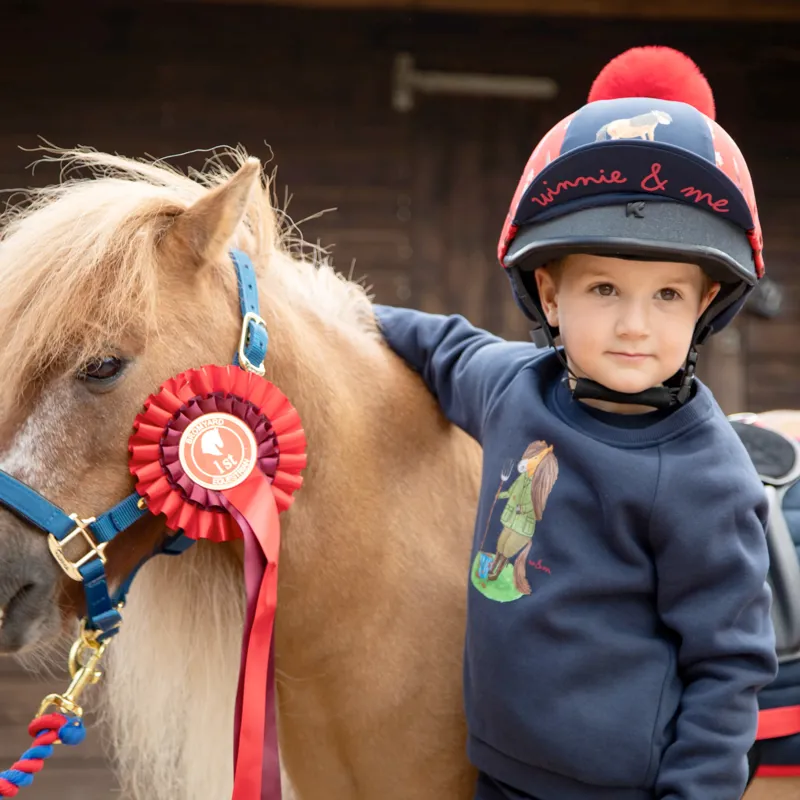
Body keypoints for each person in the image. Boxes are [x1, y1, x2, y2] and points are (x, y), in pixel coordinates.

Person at [374, 46, 778, 800]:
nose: (634, 325)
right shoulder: (512, 389)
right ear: (550, 295)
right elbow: (442, 345)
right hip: (495, 772)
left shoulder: (706, 475)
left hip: (617, 789)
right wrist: (323, 309)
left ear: (704, 308)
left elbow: (726, 670)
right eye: (603, 288)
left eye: (666, 296)